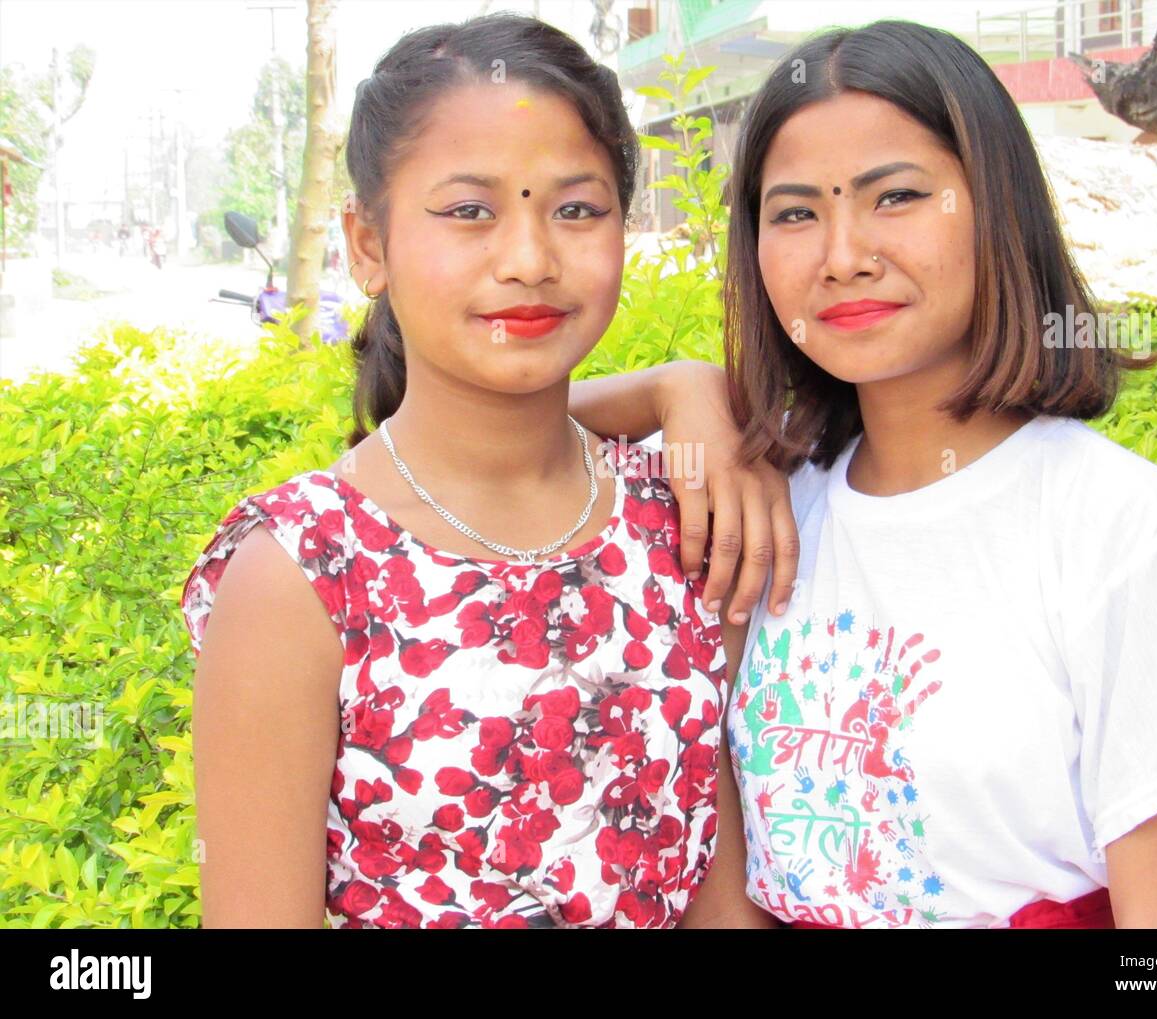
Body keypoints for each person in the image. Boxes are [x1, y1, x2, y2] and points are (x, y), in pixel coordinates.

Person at [567, 20, 1157, 928]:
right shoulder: (768, 498)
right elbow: (465, 443)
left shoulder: (1122, 527)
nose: (843, 253)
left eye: (895, 196)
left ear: (997, 205)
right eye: (795, 212)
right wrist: (676, 389)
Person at [180, 13, 767, 930]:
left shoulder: (679, 517)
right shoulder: (302, 574)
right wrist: (668, 385)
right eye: (468, 211)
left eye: (577, 208)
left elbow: (725, 899)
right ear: (367, 245)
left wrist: (678, 389)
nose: (529, 259)